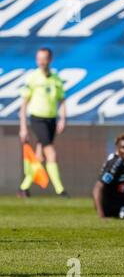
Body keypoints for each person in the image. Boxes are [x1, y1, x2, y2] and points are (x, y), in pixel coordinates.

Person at [18, 47, 69, 198]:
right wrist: (23, 128)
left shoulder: (55, 77)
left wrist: (62, 118)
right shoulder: (33, 77)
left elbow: (62, 100)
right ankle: (60, 190)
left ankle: (23, 188)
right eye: (39, 58)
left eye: (44, 58)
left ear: (50, 60)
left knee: (39, 157)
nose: (41, 62)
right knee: (51, 154)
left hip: (51, 120)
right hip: (37, 119)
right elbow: (24, 104)